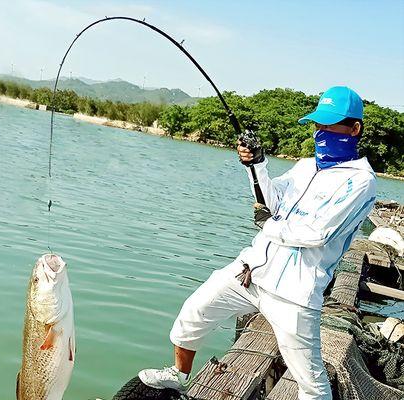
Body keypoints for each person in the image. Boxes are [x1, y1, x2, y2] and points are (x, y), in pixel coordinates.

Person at [138, 86, 376, 400]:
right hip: (249, 272)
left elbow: (316, 232)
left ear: (354, 128)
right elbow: (270, 199)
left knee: (310, 382)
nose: (322, 132)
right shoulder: (305, 166)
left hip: (294, 293)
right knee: (193, 313)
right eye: (319, 125)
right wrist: (257, 165)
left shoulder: (361, 181)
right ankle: (178, 374)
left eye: (330, 125)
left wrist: (269, 223)